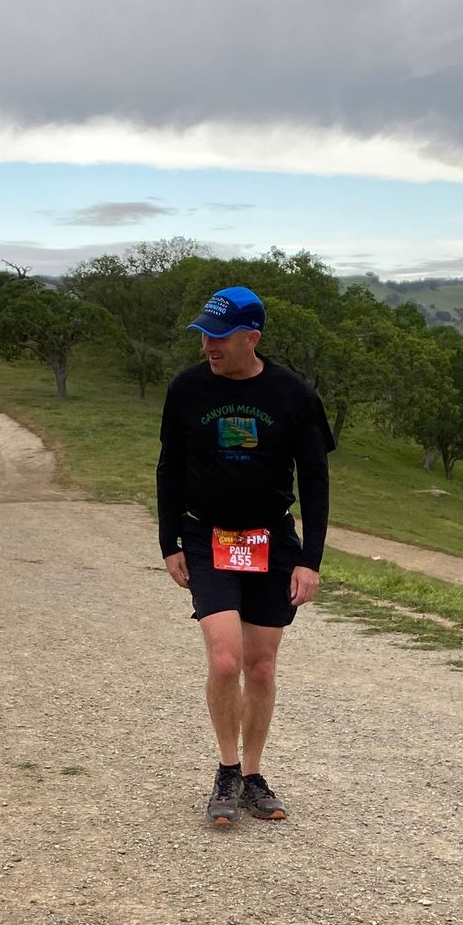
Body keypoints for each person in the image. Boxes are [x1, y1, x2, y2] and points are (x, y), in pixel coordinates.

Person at [156, 286, 332, 828]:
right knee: (226, 659)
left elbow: (316, 481)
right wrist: (169, 542)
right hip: (208, 538)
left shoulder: (293, 394)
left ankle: (253, 776)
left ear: (251, 337)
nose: (208, 345)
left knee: (260, 666)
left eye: (220, 336)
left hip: (271, 542)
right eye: (204, 334)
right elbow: (169, 468)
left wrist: (311, 559)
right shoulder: (186, 389)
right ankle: (226, 770)